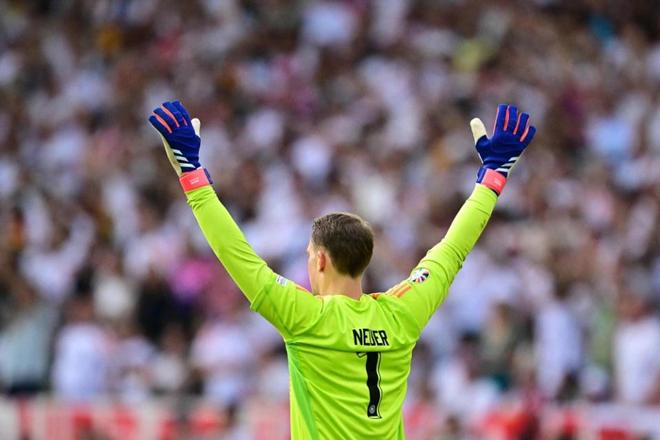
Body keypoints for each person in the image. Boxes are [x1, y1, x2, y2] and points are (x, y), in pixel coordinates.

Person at [148, 101, 536, 439]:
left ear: (320, 260)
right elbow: (452, 250)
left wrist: (192, 173)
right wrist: (493, 176)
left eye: (308, 254)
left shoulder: (305, 318)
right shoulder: (400, 314)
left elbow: (236, 254)